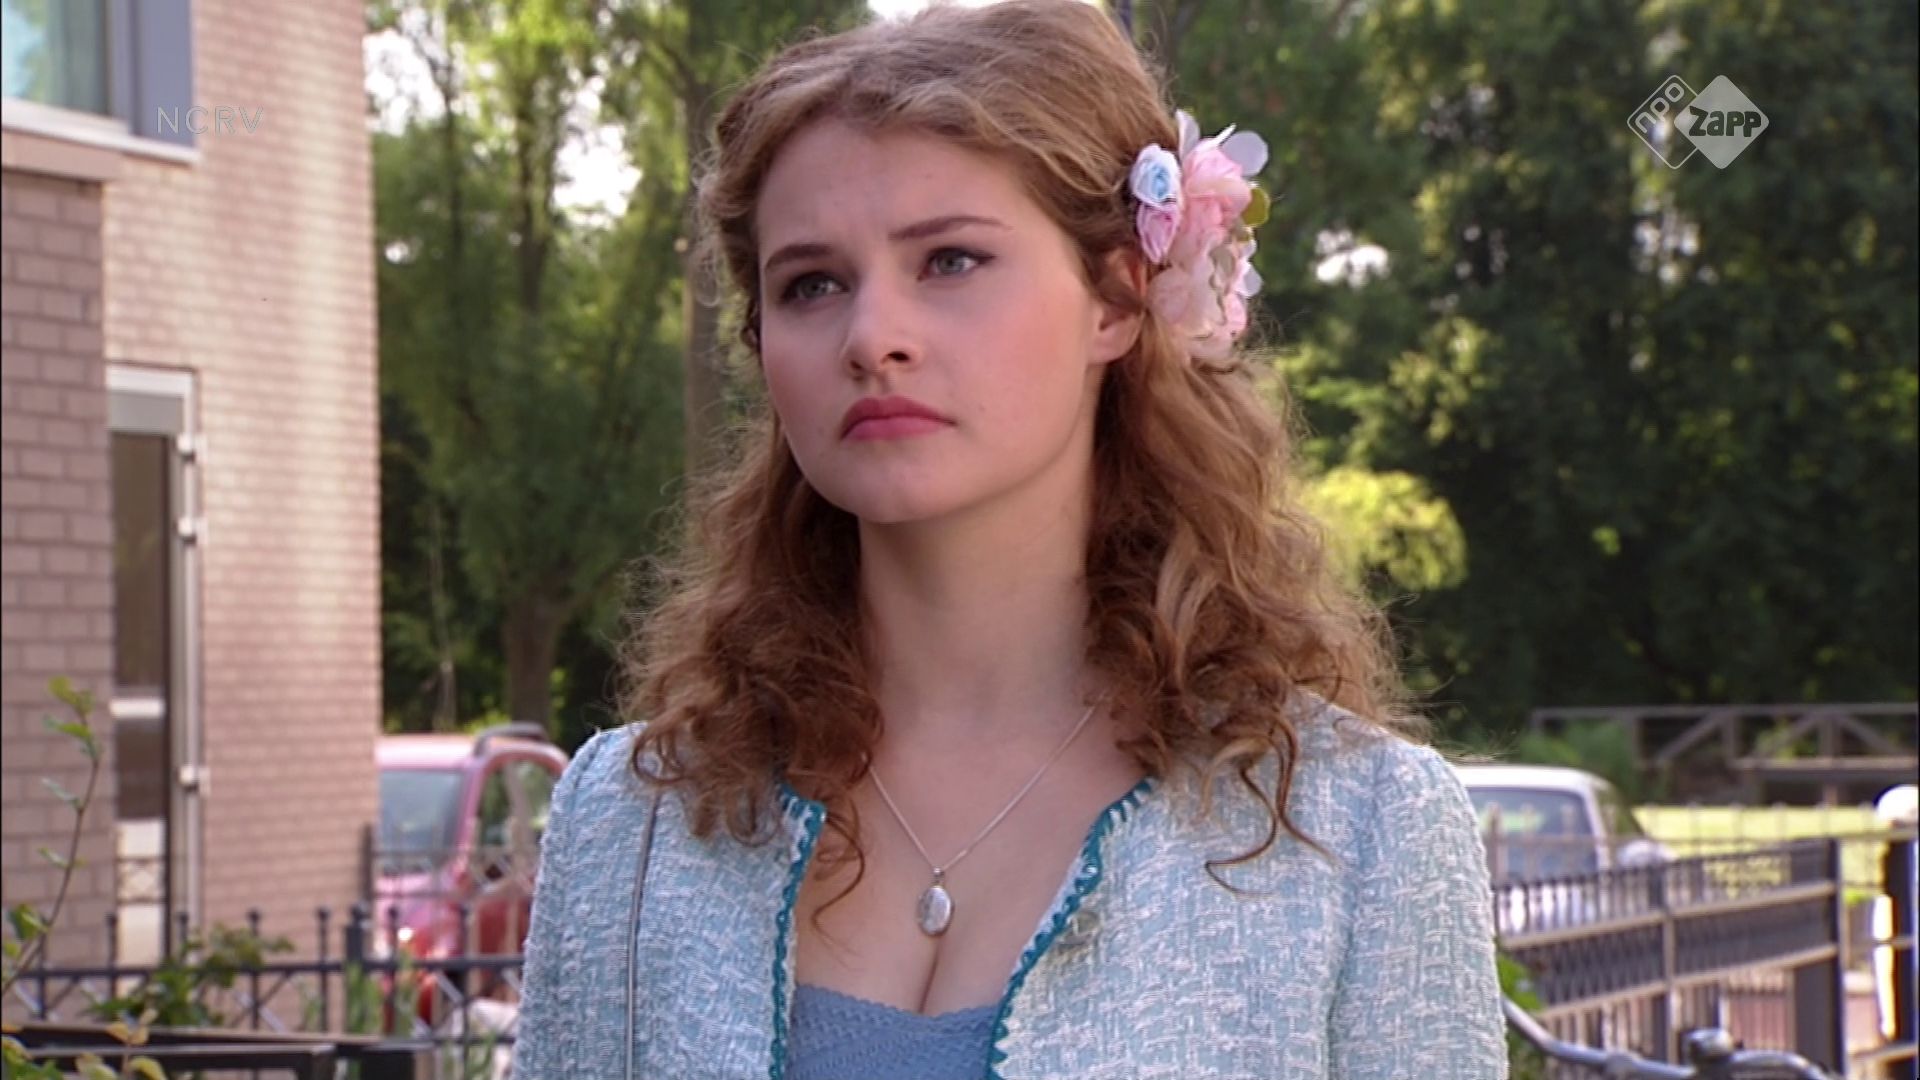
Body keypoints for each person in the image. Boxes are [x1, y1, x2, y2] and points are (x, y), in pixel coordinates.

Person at [512, 2, 1506, 1078]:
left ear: (1117, 299)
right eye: (812, 284)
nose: (871, 337)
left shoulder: (1359, 831)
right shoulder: (632, 823)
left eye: (949, 261)